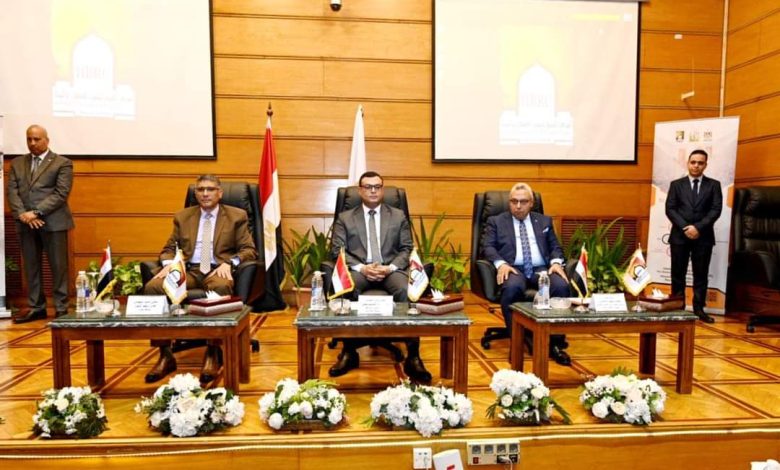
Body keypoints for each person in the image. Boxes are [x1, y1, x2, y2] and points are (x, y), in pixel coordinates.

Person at [143, 174, 257, 383]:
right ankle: (165, 354)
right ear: (195, 194)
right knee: (154, 287)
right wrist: (169, 265)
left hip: (217, 269)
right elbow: (168, 249)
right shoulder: (183, 216)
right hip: (188, 269)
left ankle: (213, 352)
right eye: (200, 189)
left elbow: (248, 250)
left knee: (220, 288)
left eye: (210, 189)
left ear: (220, 193)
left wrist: (229, 263)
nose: (205, 193)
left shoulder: (236, 216)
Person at [328, 171, 432, 382]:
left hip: (390, 270)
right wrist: (362, 268)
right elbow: (337, 250)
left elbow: (406, 248)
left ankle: (413, 356)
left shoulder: (398, 216)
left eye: (377, 187)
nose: (373, 191)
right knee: (347, 288)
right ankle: (349, 352)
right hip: (360, 270)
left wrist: (390, 268)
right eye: (368, 187)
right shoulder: (345, 218)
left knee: (407, 290)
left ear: (382, 190)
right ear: (360, 191)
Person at [482, 182, 572, 365]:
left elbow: (555, 247)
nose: (518, 206)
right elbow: (488, 247)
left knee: (561, 286)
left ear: (531, 203)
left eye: (523, 202)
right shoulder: (496, 221)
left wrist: (556, 263)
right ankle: (516, 343)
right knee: (512, 288)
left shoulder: (544, 221)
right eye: (513, 201)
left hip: (541, 269)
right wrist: (501, 264)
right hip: (513, 268)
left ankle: (554, 344)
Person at [7, 125, 74, 323]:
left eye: (37, 139)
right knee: (32, 267)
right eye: (29, 139)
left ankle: (61, 308)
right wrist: (23, 214)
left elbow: (61, 193)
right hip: (25, 224)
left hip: (54, 222)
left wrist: (35, 212)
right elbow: (12, 192)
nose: (32, 143)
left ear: (47, 140)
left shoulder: (62, 163)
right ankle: (37, 308)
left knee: (58, 267)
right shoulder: (17, 163)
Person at [666, 149, 722, 323]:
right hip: (679, 236)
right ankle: (678, 308)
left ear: (705, 165)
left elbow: (716, 209)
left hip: (703, 237)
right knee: (677, 274)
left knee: (701, 275)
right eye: (693, 162)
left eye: (700, 163)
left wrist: (698, 228)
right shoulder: (676, 184)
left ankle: (699, 309)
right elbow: (670, 209)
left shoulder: (714, 185)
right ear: (688, 163)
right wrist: (686, 227)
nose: (696, 166)